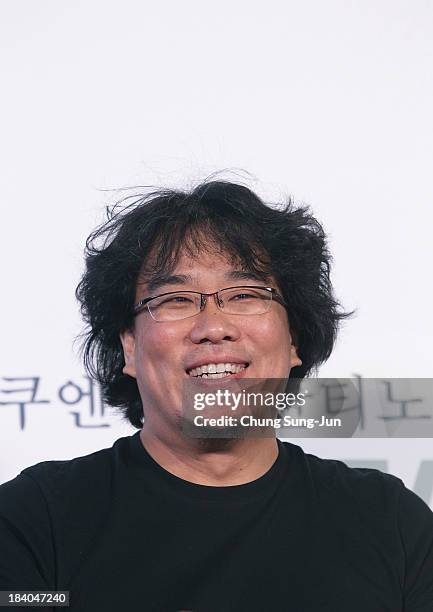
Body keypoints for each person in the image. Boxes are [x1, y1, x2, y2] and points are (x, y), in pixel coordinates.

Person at [1, 179, 432, 611]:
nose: (213, 326)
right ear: (129, 346)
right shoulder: (34, 520)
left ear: (293, 339)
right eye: (176, 299)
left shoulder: (391, 522)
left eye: (245, 294)